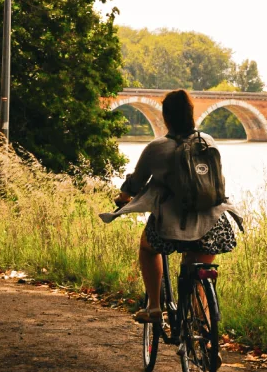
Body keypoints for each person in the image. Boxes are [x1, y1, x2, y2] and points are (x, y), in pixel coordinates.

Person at [101, 89, 241, 323]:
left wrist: (123, 198)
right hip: (213, 224)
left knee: (147, 248)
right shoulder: (208, 141)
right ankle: (208, 339)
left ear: (166, 118)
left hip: (171, 226)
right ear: (191, 114)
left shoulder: (157, 148)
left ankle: (154, 307)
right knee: (197, 274)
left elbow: (135, 183)